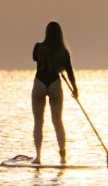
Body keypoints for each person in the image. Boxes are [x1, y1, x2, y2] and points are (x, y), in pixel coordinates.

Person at [30, 21, 77, 164]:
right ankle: (62, 157)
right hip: (55, 84)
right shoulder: (63, 52)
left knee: (38, 121)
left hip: (39, 83)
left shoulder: (38, 47)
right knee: (57, 121)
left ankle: (38, 157)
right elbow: (69, 72)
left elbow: (35, 58)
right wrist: (75, 89)